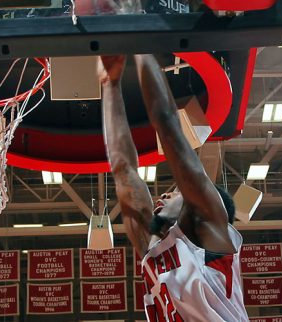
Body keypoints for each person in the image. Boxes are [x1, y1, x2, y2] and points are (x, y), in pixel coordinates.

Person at [99, 54, 249, 322]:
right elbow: (126, 167)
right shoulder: (158, 243)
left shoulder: (208, 229)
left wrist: (131, 61)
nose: (165, 194)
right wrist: (112, 81)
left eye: (175, 192)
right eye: (177, 192)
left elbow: (165, 128)